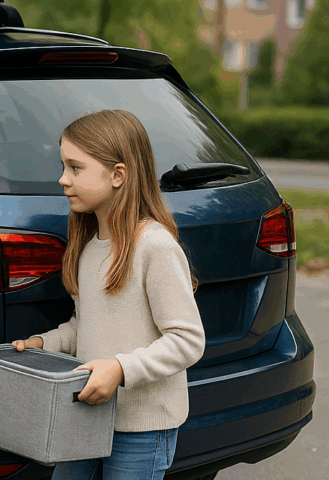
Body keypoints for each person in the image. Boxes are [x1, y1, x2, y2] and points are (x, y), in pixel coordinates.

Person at [11, 109, 206, 480]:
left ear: (118, 175)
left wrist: (120, 369)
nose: (62, 179)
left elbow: (187, 341)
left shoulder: (154, 247)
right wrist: (44, 344)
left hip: (142, 431)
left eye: (75, 168)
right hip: (84, 416)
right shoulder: (90, 246)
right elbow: (85, 325)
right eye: (63, 166)